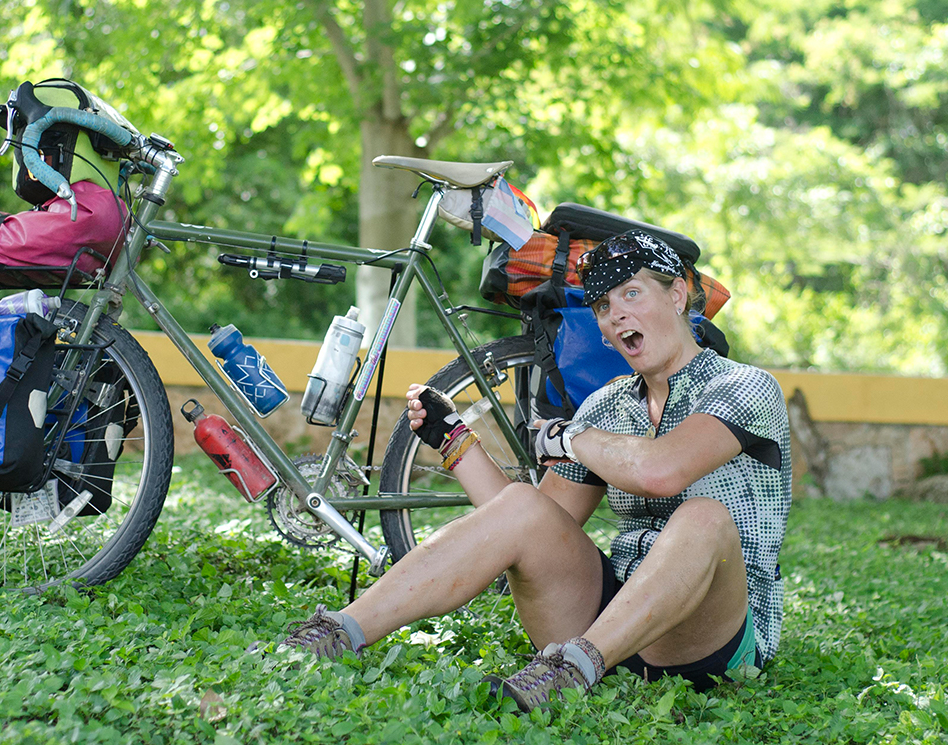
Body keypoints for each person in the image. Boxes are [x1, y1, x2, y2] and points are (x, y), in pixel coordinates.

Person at [277, 230, 792, 712]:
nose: (615, 316)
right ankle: (338, 632)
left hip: (712, 637)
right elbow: (529, 524)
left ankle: (573, 667)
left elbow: (662, 471)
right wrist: (456, 442)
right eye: (603, 306)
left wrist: (567, 436)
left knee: (704, 517)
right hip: (608, 626)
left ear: (677, 295)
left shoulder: (744, 387)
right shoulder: (607, 407)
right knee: (525, 505)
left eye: (632, 294)